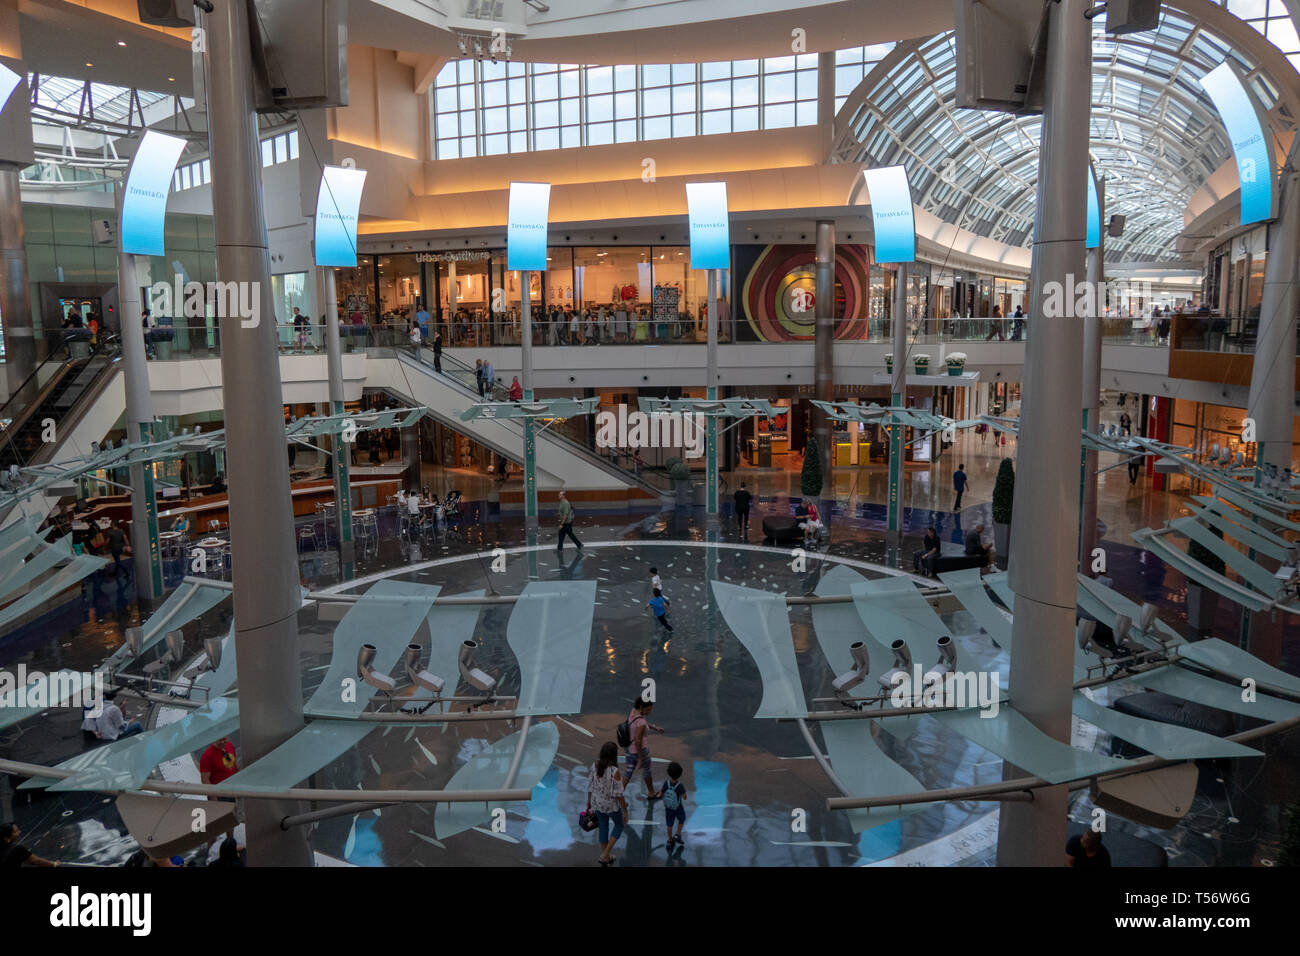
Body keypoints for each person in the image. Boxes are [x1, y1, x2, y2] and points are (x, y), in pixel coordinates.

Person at [586, 742, 628, 865]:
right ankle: (605, 854)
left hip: (597, 803)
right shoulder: (615, 771)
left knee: (603, 827)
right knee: (619, 826)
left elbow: (590, 785)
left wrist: (589, 801)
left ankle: (606, 857)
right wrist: (625, 811)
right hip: (611, 806)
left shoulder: (595, 765)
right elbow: (619, 794)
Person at [623, 695, 664, 799]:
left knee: (628, 771)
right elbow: (638, 741)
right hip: (641, 751)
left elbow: (643, 722)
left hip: (629, 749)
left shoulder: (634, 712)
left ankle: (618, 795)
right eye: (648, 709)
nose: (650, 712)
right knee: (647, 770)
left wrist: (655, 728)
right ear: (641, 707)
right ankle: (651, 792)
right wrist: (641, 758)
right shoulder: (641, 722)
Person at [658, 761, 688, 850]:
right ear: (680, 774)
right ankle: (678, 834)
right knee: (682, 818)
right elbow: (685, 797)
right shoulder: (680, 786)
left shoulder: (666, 783)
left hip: (668, 808)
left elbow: (661, 793)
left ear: (669, 773)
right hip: (678, 807)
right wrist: (684, 794)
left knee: (669, 824)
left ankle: (670, 840)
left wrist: (659, 795)